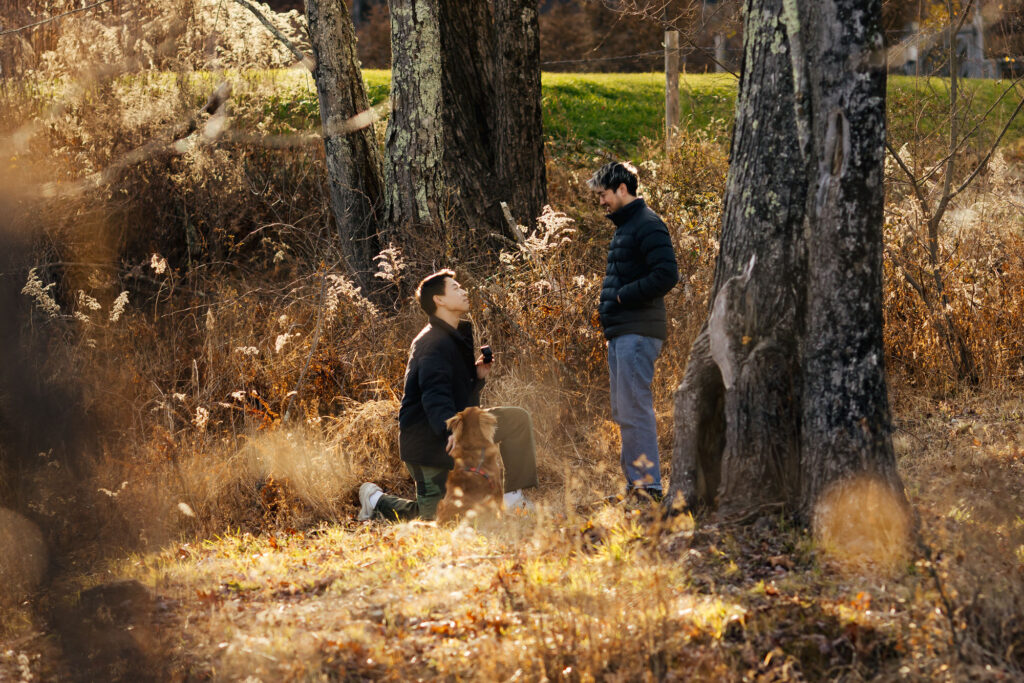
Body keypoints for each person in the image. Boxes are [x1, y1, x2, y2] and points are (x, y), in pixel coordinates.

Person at [358, 269, 538, 521]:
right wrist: (452, 430)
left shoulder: (453, 338)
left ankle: (513, 500)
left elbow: (462, 402)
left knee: (516, 420)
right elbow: (433, 395)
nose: (463, 291)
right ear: (439, 300)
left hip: (451, 435)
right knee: (439, 519)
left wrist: (477, 378)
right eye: (455, 288)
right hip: (428, 444)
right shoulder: (432, 343)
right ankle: (376, 501)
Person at [588, 162, 679, 502]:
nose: (601, 202)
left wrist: (625, 295)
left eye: (604, 195)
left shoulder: (647, 224)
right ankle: (636, 487)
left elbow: (667, 274)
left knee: (635, 408)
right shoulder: (627, 226)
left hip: (638, 333)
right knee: (625, 410)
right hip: (623, 333)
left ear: (622, 189)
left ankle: (648, 489)